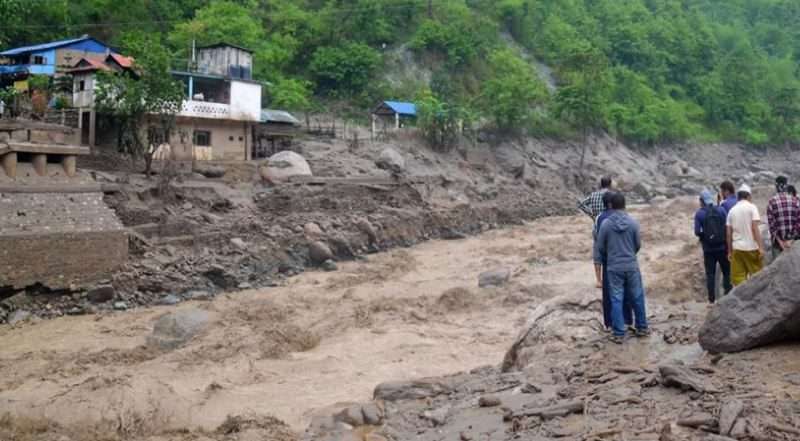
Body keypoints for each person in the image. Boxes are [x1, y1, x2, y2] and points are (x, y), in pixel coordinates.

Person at [594, 192, 649, 343]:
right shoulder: (633, 222)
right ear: (625, 205)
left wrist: (611, 255)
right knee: (637, 296)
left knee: (616, 299)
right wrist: (629, 253)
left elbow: (600, 246)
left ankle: (618, 333)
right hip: (631, 264)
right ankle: (642, 327)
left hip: (613, 267)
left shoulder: (605, 224)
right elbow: (638, 245)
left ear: (611, 205)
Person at [595, 191, 633, 332]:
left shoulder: (601, 218)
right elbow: (636, 242)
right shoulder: (626, 217)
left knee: (610, 294)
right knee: (626, 291)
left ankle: (610, 324)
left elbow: (598, 239)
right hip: (626, 258)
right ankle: (628, 320)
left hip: (608, 260)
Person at [694, 190, 732, 303]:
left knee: (710, 274)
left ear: (702, 201)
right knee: (727, 272)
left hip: (708, 249)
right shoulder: (721, 210)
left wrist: (705, 236)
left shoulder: (699, 214)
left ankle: (711, 300)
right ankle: (728, 297)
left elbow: (696, 231)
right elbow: (727, 227)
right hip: (722, 247)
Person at [726, 184, 765, 286]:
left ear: (738, 197)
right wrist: (760, 247)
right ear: (748, 196)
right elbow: (755, 228)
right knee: (758, 278)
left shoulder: (731, 211)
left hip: (737, 249)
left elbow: (729, 234)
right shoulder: (752, 208)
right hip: (752, 248)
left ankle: (741, 300)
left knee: (738, 280)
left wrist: (729, 251)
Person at [766, 176, 800, 258]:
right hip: (794, 244)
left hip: (778, 245)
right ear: (786, 185)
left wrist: (781, 242)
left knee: (778, 269)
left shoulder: (771, 202)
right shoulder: (796, 201)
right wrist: (791, 240)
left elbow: (772, 227)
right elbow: (799, 223)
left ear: (776, 186)